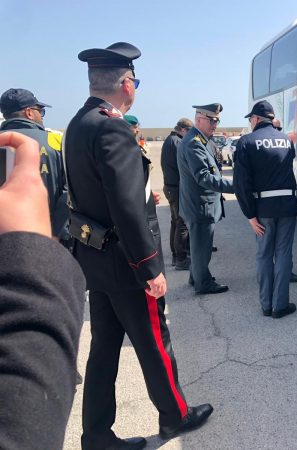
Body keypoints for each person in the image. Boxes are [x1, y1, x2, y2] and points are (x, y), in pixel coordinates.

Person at [64, 42, 213, 450]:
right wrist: (149, 267)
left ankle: (96, 435)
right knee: (154, 340)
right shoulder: (112, 127)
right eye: (136, 82)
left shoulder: (78, 123)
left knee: (104, 349)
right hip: (126, 262)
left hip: (96, 257)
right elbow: (126, 207)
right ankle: (175, 416)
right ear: (126, 84)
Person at [0, 132, 86, 450]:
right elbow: (64, 193)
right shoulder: (48, 141)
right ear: (31, 111)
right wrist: (40, 247)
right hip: (37, 243)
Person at [234, 101, 297, 318]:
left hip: (263, 209)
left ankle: (266, 305)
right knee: (283, 254)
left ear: (255, 119)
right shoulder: (287, 140)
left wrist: (250, 215)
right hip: (288, 206)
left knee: (264, 255)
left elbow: (241, 183)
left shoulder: (246, 142)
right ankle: (280, 306)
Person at [177, 103, 234, 295]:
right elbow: (204, 177)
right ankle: (203, 283)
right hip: (200, 206)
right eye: (211, 121)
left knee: (198, 246)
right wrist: (236, 186)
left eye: (216, 121)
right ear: (199, 119)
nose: (214, 125)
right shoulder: (194, 142)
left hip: (199, 205)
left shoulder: (199, 140)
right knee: (202, 248)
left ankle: (196, 277)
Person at [0, 88, 69, 241]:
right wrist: (57, 235)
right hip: (44, 236)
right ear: (29, 113)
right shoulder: (56, 141)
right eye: (41, 112)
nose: (42, 117)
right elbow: (68, 192)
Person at [271, 117, 297, 284]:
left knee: (284, 244)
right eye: (274, 128)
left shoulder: (286, 144)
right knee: (270, 244)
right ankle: (275, 273)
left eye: (279, 128)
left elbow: (290, 173)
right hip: (268, 204)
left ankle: (285, 271)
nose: (277, 132)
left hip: (284, 203)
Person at [160, 118, 193, 270]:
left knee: (175, 221)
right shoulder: (178, 143)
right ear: (183, 130)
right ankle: (181, 258)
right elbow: (186, 166)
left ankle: (175, 255)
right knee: (182, 223)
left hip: (170, 187)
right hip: (177, 188)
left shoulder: (169, 140)